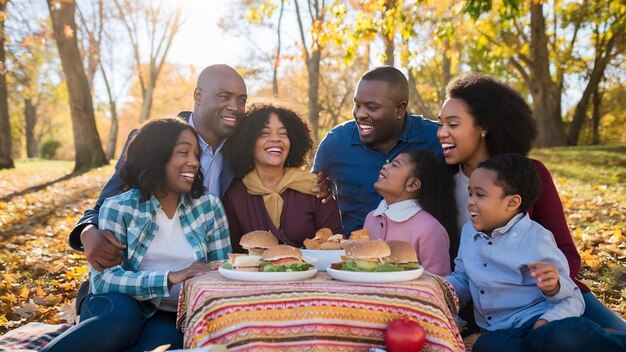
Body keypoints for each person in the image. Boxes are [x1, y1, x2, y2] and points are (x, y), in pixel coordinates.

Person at [437, 72, 626, 332]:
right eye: (440, 124)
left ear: (483, 127)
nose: (442, 133)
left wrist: (551, 285)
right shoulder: (437, 183)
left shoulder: (529, 174)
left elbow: (567, 254)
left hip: (552, 298)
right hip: (486, 308)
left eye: (453, 124)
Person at [41, 118, 232, 352]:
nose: (194, 162)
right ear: (156, 155)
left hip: (167, 315)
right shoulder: (119, 207)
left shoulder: (209, 207)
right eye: (184, 152)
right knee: (123, 319)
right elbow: (103, 281)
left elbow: (222, 270)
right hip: (116, 304)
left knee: (164, 344)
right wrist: (170, 277)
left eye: (196, 154)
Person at [69, 64, 247, 272]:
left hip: (211, 270)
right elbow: (108, 202)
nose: (235, 106)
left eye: (241, 100)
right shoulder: (153, 141)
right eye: (224, 96)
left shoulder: (242, 150)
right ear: (198, 95)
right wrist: (86, 232)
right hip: (144, 270)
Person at [446, 153, 626, 351]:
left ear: (512, 203)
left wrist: (553, 293)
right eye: (470, 193)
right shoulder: (469, 233)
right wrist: (438, 288)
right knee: (487, 346)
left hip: (545, 322)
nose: (470, 201)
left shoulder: (536, 239)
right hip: (503, 331)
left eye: (480, 195)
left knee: (564, 337)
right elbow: (462, 277)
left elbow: (572, 298)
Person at [312, 66, 443, 236]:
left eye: (372, 107)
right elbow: (312, 191)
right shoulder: (336, 143)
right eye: (357, 105)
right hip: (353, 255)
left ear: (400, 109)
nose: (360, 114)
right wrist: (318, 189)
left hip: (419, 252)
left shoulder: (436, 139)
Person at [223, 104, 343, 252]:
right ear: (248, 142)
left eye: (283, 133)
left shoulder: (316, 188)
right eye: (264, 133)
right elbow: (233, 254)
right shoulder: (235, 196)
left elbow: (335, 244)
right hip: (256, 275)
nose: (275, 139)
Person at [363, 150, 457, 276]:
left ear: (413, 184)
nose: (385, 166)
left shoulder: (429, 228)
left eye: (395, 165)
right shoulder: (371, 218)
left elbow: (439, 283)